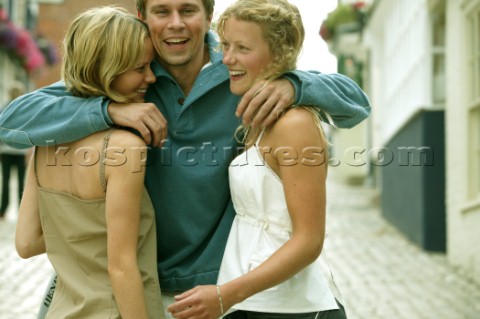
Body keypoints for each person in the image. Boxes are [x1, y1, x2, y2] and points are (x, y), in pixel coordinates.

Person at [0, 0, 370, 317]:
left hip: (214, 289)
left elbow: (355, 103)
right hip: (136, 282)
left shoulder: (238, 68)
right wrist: (109, 110)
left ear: (208, 15)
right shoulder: (128, 76)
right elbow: (11, 120)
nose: (176, 23)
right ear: (143, 16)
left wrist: (295, 84)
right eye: (162, 10)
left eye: (188, 9)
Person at [167, 0, 347, 318]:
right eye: (225, 45)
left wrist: (225, 295)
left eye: (243, 48)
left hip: (292, 307)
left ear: (279, 54)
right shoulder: (257, 120)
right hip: (251, 300)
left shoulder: (295, 124)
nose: (228, 59)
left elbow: (309, 240)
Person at [14, 6, 164, 318]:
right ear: (108, 69)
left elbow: (26, 243)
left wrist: (81, 239)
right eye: (140, 68)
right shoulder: (125, 148)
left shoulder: (45, 143)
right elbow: (121, 268)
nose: (150, 77)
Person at [0, 82, 28, 219]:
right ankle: (21, 210)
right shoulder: (25, 109)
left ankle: (3, 209)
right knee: (21, 182)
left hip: (5, 150)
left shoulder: (4, 109)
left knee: (5, 181)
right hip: (21, 151)